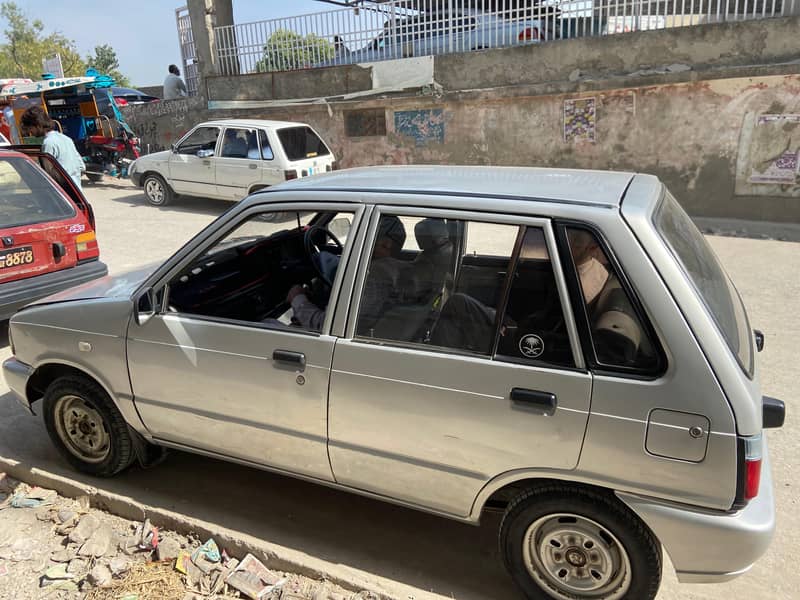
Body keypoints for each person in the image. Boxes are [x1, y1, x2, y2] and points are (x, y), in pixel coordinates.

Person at [287, 216, 408, 332]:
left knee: (269, 323)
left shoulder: (372, 283)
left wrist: (297, 298)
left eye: (366, 236)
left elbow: (325, 326)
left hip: (329, 344)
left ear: (385, 245)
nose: (359, 241)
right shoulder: (389, 273)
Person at [19, 105, 85, 189]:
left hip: (63, 192)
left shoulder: (48, 143)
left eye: (30, 128)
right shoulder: (66, 139)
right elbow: (82, 167)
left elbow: (48, 176)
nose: (30, 132)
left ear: (37, 125)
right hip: (77, 190)